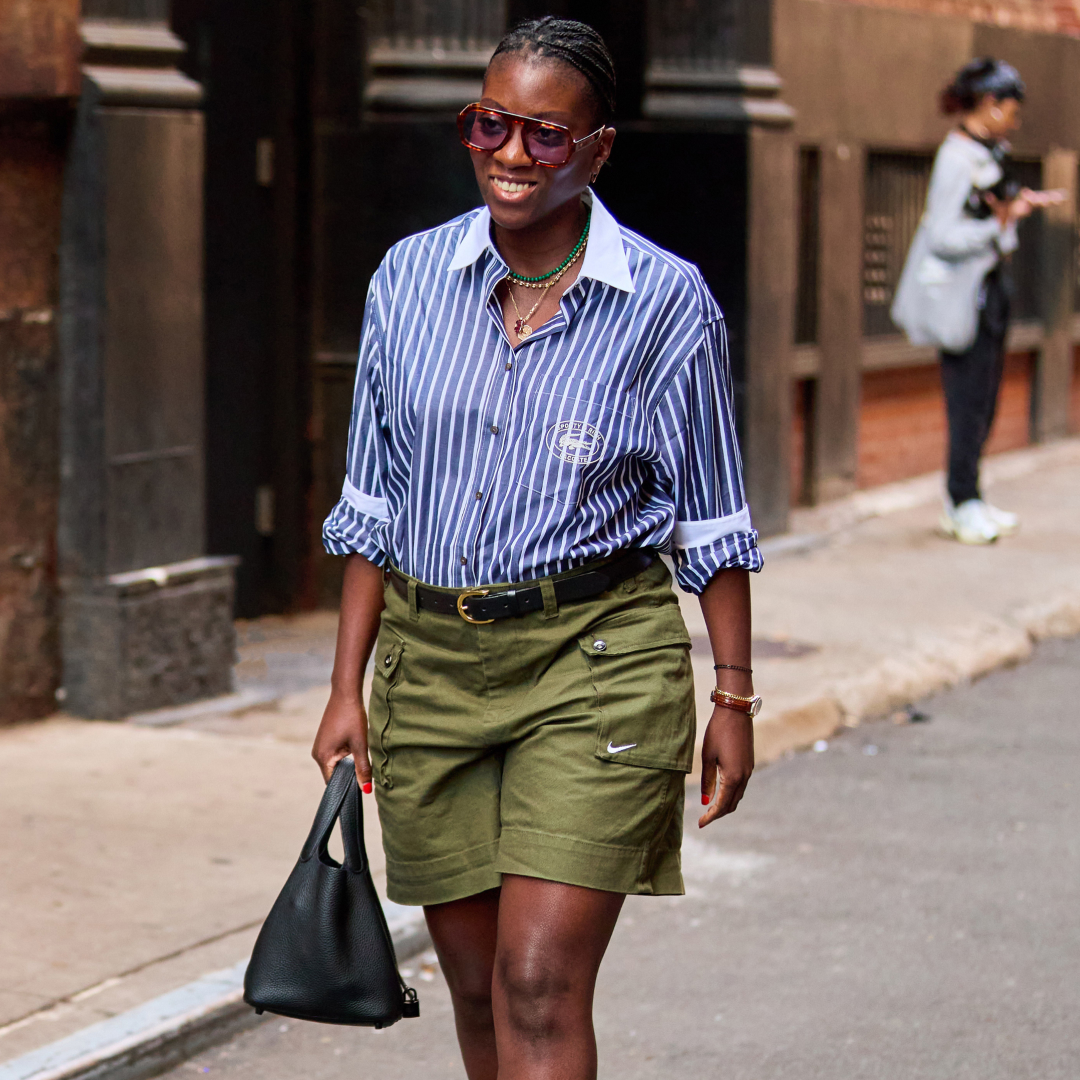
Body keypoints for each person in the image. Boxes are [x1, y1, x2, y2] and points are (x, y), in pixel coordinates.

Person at [314, 17, 762, 1079]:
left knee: (538, 983)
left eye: (546, 136)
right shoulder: (407, 280)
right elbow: (372, 501)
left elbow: (712, 517)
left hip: (595, 661)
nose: (511, 154)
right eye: (490, 124)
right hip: (427, 671)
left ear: (599, 150)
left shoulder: (665, 303)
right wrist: (345, 690)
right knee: (474, 990)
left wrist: (734, 699)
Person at [892, 58, 1064, 545]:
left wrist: (1013, 212)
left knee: (984, 401)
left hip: (988, 291)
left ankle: (971, 496)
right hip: (964, 300)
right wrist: (999, 224)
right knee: (967, 403)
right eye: (1011, 110)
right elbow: (943, 234)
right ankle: (960, 501)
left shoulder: (986, 152)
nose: (1015, 120)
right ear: (989, 106)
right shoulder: (957, 158)